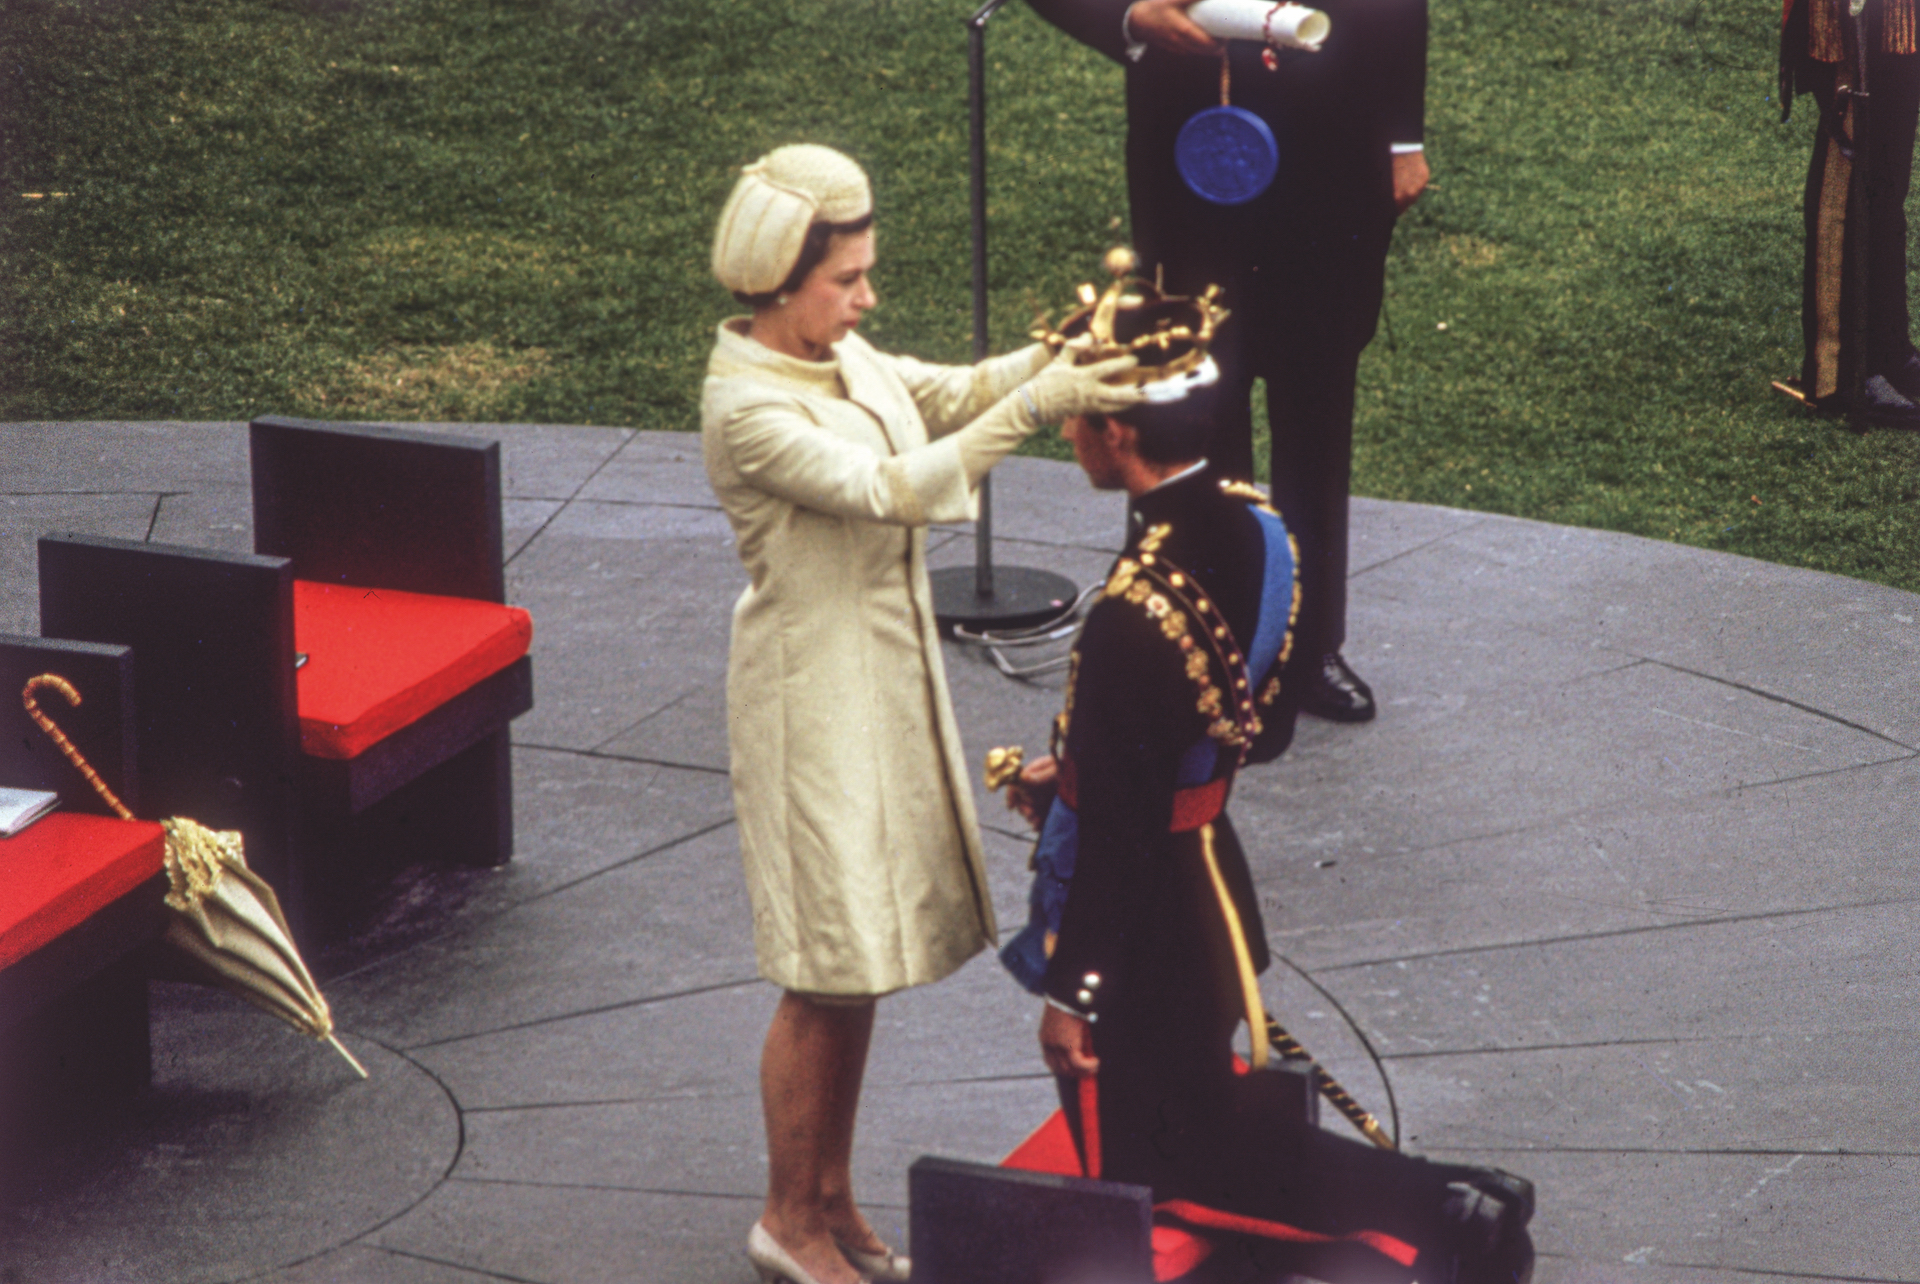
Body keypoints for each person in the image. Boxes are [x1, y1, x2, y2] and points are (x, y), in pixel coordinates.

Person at [702, 143, 1142, 1284]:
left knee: (857, 962)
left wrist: (1050, 357)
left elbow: (936, 397)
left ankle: (829, 1196)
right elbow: (892, 491)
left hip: (879, 677)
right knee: (823, 967)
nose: (865, 299)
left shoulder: (837, 354)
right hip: (811, 696)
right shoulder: (746, 403)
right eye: (847, 280)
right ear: (782, 280)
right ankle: (784, 1219)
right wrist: (1045, 401)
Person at [1002, 381, 1535, 1283]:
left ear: (1120, 430)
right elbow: (1234, 711)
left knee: (1179, 1161)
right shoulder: (1253, 525)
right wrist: (1088, 761)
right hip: (1212, 873)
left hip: (1149, 926)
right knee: (1195, 1114)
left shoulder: (1132, 613)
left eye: (1078, 417)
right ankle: (1459, 1192)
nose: (1065, 431)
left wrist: (1072, 995)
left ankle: (1448, 1203)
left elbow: (1122, 842)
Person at [1025, 0, 1431, 723]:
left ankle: (1307, 650)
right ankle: (1195, 635)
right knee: (1195, 400)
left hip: (1336, 151)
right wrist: (1129, 15)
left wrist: (1403, 137)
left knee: (1318, 400)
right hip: (1191, 153)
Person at [1779, 0, 1920, 426]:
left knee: (1888, 188)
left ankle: (1891, 353)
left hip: (1902, 17)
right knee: (1847, 184)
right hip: (1841, 19)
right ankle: (1840, 372)